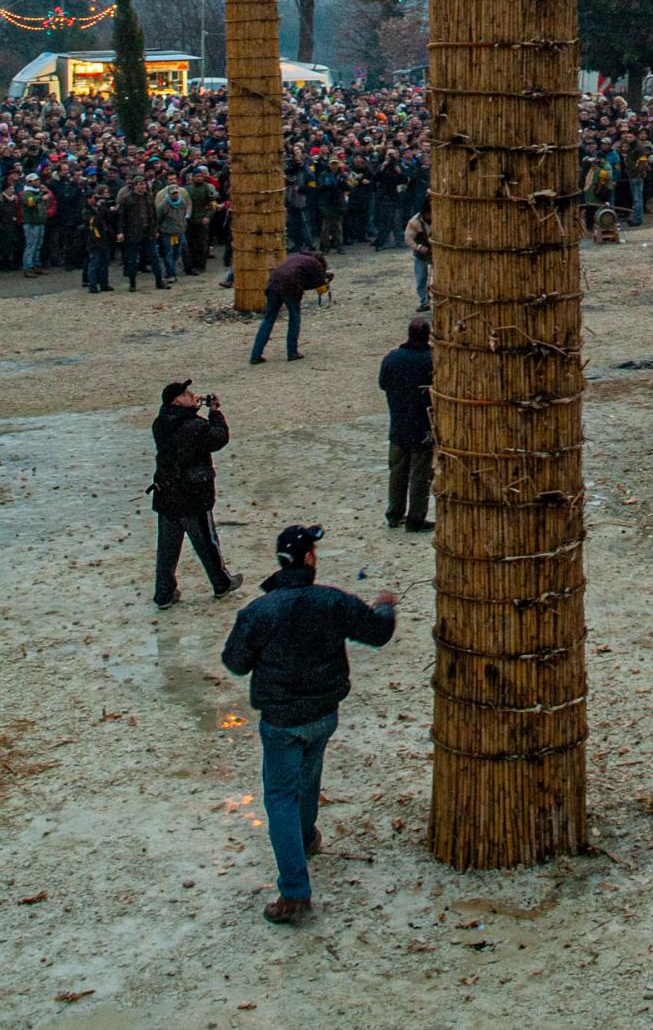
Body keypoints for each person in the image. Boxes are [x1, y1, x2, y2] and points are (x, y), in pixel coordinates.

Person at [220, 522, 397, 924]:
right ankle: (305, 838)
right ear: (310, 559)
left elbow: (234, 662)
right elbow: (379, 632)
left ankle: (295, 890)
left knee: (280, 797)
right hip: (323, 713)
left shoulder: (259, 611)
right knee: (309, 776)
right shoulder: (331, 602)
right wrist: (385, 604)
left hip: (281, 720)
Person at [150, 378, 240, 607]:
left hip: (166, 493)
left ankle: (164, 593)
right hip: (193, 495)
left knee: (167, 548)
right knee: (206, 542)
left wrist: (193, 412)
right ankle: (221, 583)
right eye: (186, 394)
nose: (191, 395)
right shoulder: (193, 426)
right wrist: (215, 412)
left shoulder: (160, 423)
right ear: (176, 401)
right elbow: (219, 437)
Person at [378, 313, 434, 532]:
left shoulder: (392, 358)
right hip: (422, 425)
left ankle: (394, 514)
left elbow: (383, 384)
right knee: (419, 476)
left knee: (397, 472)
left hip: (398, 423)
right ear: (428, 336)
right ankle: (416, 518)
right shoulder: (431, 360)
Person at [250, 249, 330, 364]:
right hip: (290, 287)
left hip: (273, 284)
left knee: (268, 320)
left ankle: (255, 354)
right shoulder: (316, 264)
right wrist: (326, 282)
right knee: (294, 318)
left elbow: (302, 279)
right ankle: (292, 352)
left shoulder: (296, 258)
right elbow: (320, 286)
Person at [155, 177, 191, 281]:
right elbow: (158, 217)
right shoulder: (163, 204)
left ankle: (170, 270)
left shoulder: (182, 202)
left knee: (177, 252)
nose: (175, 195)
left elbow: (184, 212)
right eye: (173, 193)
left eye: (176, 193)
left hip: (179, 231)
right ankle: (171, 273)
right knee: (168, 253)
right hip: (168, 232)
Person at [404, 199, 432, 311]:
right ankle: (424, 302)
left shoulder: (440, 217)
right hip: (421, 254)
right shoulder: (414, 222)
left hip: (437, 253)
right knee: (421, 279)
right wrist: (419, 247)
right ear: (425, 213)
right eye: (430, 213)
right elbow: (408, 239)